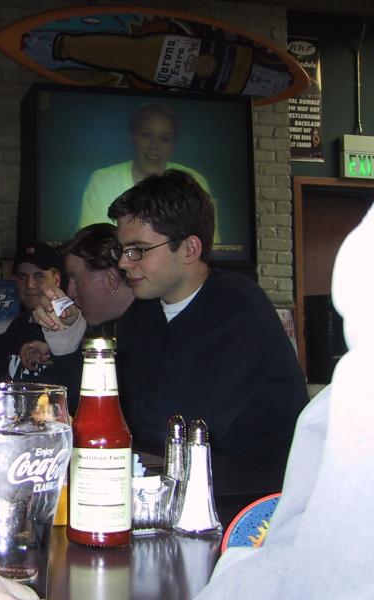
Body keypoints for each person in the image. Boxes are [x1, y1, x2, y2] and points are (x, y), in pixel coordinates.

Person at [196, 207, 374, 599]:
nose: (126, 263)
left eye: (138, 251)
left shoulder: (356, 397)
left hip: (250, 495)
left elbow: (319, 574)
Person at [108, 169, 308, 493]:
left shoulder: (236, 308)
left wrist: (119, 416)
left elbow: (174, 426)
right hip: (178, 486)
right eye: (122, 250)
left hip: (258, 502)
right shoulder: (139, 316)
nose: (123, 262)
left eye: (138, 250)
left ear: (190, 249)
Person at [78, 103, 218, 243]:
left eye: (165, 138)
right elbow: (89, 246)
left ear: (173, 145)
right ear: (132, 137)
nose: (154, 146)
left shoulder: (193, 181)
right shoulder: (102, 181)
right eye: (146, 135)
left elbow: (211, 245)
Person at [0, 241, 80, 405]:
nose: (29, 285)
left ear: (56, 279)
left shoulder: (75, 322)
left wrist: (51, 353)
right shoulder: (18, 326)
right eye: (22, 277)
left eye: (39, 276)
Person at [33, 223, 135, 354]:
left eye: (76, 281)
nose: (70, 293)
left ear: (112, 279)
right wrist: (64, 330)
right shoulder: (104, 329)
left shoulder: (151, 329)